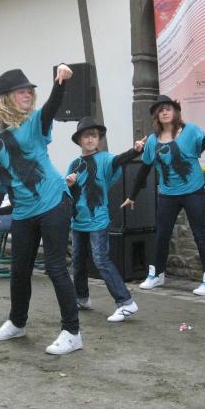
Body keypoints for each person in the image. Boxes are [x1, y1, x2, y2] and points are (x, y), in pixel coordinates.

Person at [0, 66, 82, 355]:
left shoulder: (35, 121)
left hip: (53, 201)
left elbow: (51, 107)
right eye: (21, 91)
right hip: (24, 211)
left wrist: (60, 83)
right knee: (19, 269)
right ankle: (17, 322)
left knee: (54, 267)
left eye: (29, 91)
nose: (28, 94)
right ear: (6, 98)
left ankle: (72, 332)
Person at [121, 95, 205, 296]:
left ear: (176, 112)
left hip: (193, 192)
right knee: (162, 234)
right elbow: (144, 170)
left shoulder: (190, 131)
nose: (165, 112)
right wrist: (132, 196)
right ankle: (157, 274)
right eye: (160, 110)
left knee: (199, 234)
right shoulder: (152, 141)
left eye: (168, 108)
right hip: (168, 195)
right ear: (156, 117)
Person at [66, 117, 144, 322]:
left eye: (94, 135)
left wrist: (135, 151)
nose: (90, 139)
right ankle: (81, 298)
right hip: (78, 220)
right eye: (86, 136)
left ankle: (125, 302)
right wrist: (69, 184)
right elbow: (67, 193)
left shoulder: (105, 159)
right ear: (79, 140)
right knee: (77, 261)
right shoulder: (74, 164)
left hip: (97, 220)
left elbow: (119, 160)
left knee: (101, 259)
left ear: (99, 139)